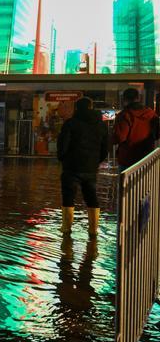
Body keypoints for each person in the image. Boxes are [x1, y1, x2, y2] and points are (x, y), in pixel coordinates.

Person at [57, 97, 108, 237]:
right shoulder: (101, 125)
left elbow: (63, 145)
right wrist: (96, 161)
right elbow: (105, 147)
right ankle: (93, 229)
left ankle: (66, 228)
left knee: (68, 196)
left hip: (71, 167)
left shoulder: (70, 123)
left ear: (76, 108)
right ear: (91, 107)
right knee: (91, 196)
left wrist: (62, 158)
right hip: (90, 168)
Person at [113, 87, 159, 170]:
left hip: (128, 158)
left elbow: (120, 137)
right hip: (146, 157)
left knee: (126, 182)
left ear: (124, 99)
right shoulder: (151, 113)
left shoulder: (124, 115)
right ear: (138, 98)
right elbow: (157, 133)